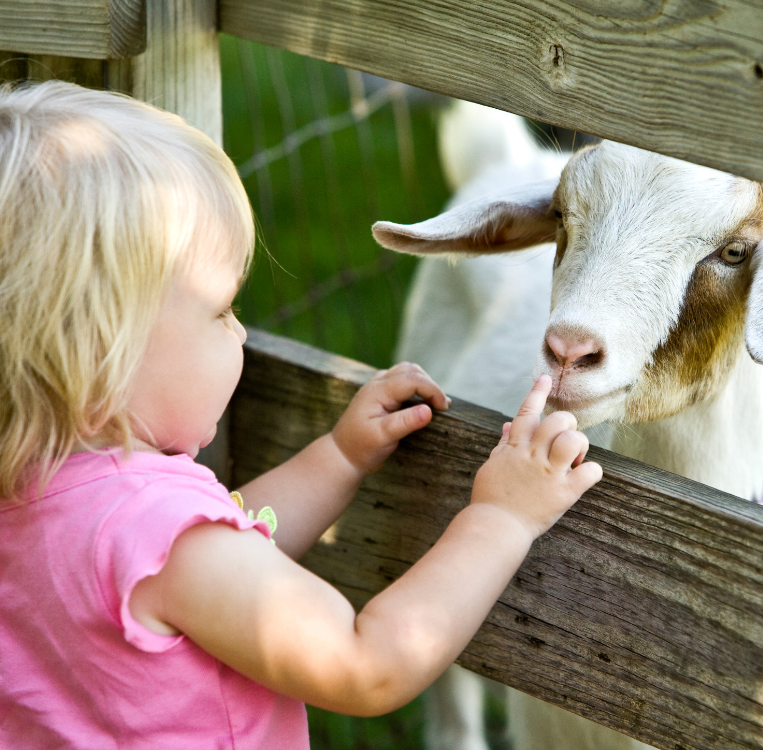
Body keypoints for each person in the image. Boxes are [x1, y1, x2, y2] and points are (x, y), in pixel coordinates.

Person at [0, 80, 603, 748]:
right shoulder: (162, 541)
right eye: (220, 309)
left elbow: (230, 554)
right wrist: (501, 517)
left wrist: (338, 458)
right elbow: (366, 665)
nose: (239, 332)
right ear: (100, 353)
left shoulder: (39, 498)